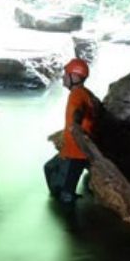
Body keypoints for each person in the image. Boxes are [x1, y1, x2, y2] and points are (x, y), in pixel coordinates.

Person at [44, 57, 96, 206]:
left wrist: (76, 120)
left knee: (65, 194)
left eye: (66, 74)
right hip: (71, 149)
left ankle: (70, 221)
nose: (63, 77)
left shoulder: (77, 95)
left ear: (75, 77)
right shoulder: (83, 92)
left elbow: (78, 110)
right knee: (49, 168)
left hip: (76, 154)